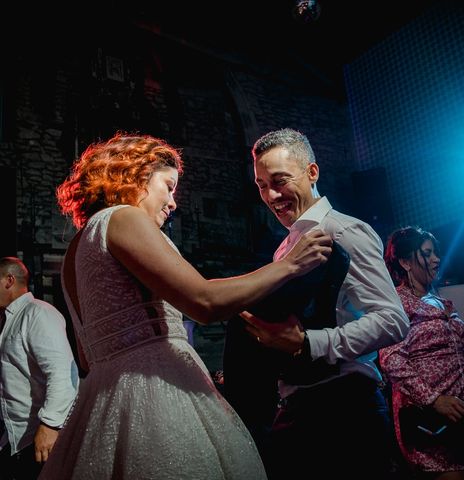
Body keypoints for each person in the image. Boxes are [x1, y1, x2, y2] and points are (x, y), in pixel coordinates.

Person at [39, 133, 333, 480]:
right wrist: (290, 265)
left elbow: (86, 357)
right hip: (155, 398)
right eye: (169, 185)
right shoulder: (124, 218)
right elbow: (204, 302)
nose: (174, 202)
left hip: (103, 403)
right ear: (135, 175)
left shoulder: (77, 249)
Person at [239, 128, 410, 480]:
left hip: (345, 408)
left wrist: (308, 344)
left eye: (279, 180)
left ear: (312, 173)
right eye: (260, 185)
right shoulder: (285, 248)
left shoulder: (344, 231)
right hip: (298, 408)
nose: (271, 195)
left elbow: (393, 320)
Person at [378, 227, 464, 479]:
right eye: (427, 254)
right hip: (432, 421)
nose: (436, 259)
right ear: (405, 261)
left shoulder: (438, 299)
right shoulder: (395, 303)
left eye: (436, 253)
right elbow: (391, 360)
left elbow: (458, 356)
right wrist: (434, 400)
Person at [0, 257, 78, 480]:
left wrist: (50, 425)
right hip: (17, 437)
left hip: (38, 437)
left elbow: (63, 371)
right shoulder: (9, 319)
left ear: (9, 280)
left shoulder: (38, 313)